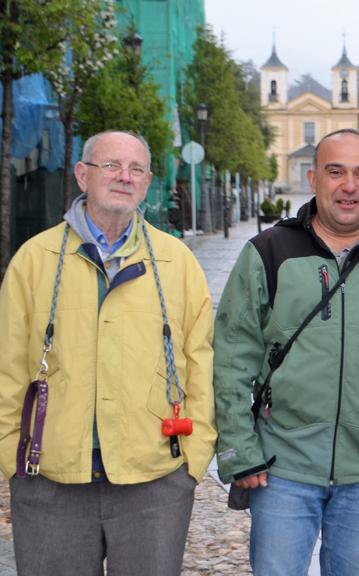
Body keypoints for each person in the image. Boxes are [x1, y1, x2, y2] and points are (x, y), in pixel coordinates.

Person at [213, 129, 359, 576]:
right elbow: (232, 355)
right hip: (281, 468)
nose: (349, 185)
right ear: (314, 178)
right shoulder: (267, 252)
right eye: (335, 172)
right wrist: (239, 449)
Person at [0, 131, 217, 575]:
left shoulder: (177, 262)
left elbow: (201, 366)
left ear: (147, 181)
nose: (124, 177)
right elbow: (7, 368)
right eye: (111, 166)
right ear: (83, 175)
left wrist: (191, 464)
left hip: (154, 480)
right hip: (50, 482)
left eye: (136, 169)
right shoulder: (34, 259)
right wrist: (12, 460)